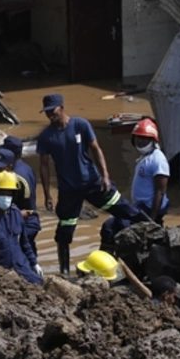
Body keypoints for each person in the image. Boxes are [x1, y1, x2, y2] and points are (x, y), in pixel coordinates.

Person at [36, 93, 139, 276]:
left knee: (127, 211)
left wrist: (105, 176)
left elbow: (96, 149)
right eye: (47, 112)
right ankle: (64, 272)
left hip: (93, 183)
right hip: (68, 191)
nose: (50, 115)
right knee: (64, 233)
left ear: (62, 107)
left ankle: (154, 235)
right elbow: (44, 166)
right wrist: (47, 194)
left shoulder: (80, 125)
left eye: (52, 111)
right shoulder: (46, 136)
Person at [99, 117, 169, 252]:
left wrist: (151, 221)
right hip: (139, 208)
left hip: (148, 211)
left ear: (152, 139)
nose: (141, 141)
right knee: (110, 226)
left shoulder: (158, 160)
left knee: (113, 226)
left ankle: (112, 260)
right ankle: (107, 259)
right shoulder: (146, 157)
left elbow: (160, 191)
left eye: (145, 138)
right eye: (138, 138)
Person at [0, 148, 41, 267]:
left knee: (22, 253)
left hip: (21, 223)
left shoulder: (20, 183)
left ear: (10, 167)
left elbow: (29, 211)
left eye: (0, 168)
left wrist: (10, 217)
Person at [0, 136, 42, 259]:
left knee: (21, 257)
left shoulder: (16, 176)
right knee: (30, 254)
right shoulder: (26, 168)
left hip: (23, 223)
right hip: (30, 219)